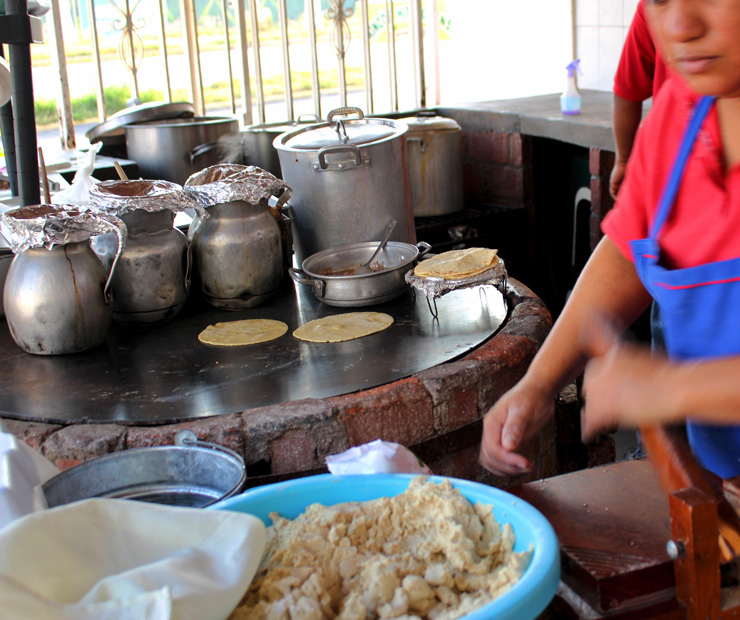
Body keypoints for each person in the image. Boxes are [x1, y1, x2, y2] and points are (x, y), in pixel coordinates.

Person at [480, 0, 740, 481]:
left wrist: (665, 386)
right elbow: (629, 253)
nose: (681, 25)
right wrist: (539, 383)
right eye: (660, 1)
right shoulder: (677, 117)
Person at [611, 0, 669, 199]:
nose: (682, 27)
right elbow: (628, 88)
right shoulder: (675, 98)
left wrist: (624, 162)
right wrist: (625, 162)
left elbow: (627, 90)